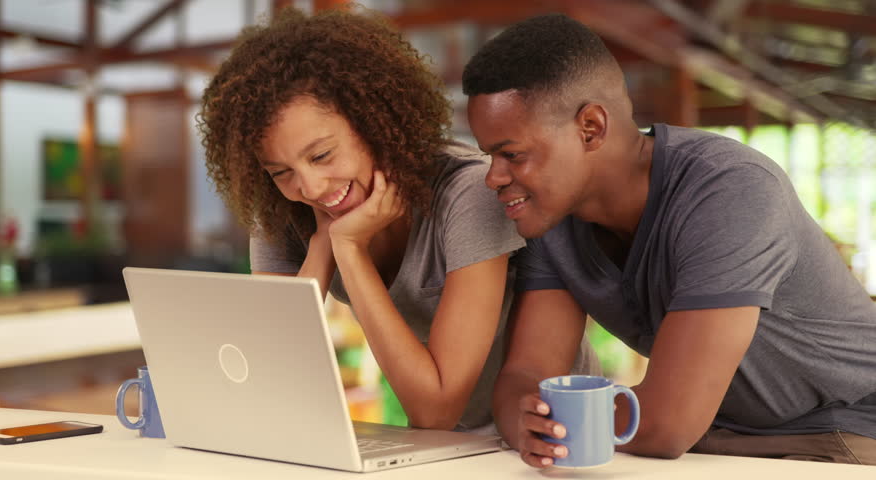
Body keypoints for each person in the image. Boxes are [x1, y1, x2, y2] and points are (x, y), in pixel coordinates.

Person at [462, 13, 876, 464]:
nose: (493, 178)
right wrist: (529, 422)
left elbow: (664, 423)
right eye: (489, 156)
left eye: (511, 155)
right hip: (720, 437)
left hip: (844, 432)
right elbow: (527, 372)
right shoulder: (552, 217)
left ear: (591, 127)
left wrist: (556, 421)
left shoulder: (730, 189)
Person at [197, 7, 598, 433]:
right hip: (445, 450)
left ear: (372, 120)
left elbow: (435, 411)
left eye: (321, 155)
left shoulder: (469, 194)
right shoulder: (283, 215)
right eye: (281, 172)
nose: (310, 187)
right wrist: (322, 251)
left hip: (550, 435)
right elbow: (262, 374)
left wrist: (349, 250)